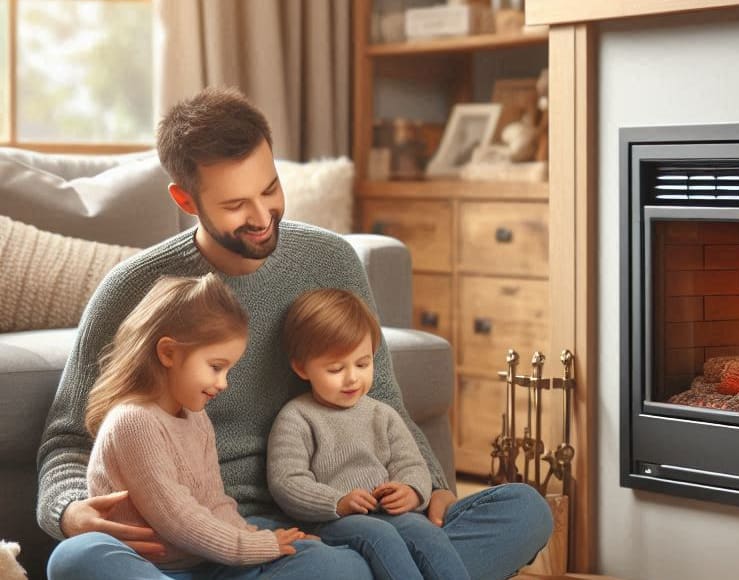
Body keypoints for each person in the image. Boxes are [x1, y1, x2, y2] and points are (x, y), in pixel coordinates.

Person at [39, 86, 552, 580]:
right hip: (189, 537)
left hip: (327, 522)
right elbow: (66, 440)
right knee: (78, 559)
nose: (263, 217)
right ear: (186, 200)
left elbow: (383, 399)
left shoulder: (330, 259)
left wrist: (431, 484)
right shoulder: (134, 289)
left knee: (524, 510)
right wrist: (69, 512)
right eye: (236, 204)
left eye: (270, 188)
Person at [85, 274, 320, 578]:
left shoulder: (196, 417)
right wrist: (254, 546)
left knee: (331, 560)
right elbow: (177, 516)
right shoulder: (133, 421)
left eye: (228, 370)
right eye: (216, 367)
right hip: (152, 569)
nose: (223, 383)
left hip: (205, 560)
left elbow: (214, 502)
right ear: (168, 353)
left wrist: (254, 539)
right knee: (77, 556)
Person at [268, 288, 469, 580]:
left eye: (363, 364)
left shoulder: (382, 414)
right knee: (380, 536)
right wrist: (337, 502)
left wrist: (411, 491)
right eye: (336, 369)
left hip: (390, 514)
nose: (352, 378)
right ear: (302, 367)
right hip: (331, 521)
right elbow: (286, 482)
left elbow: (411, 464)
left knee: (426, 533)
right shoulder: (296, 418)